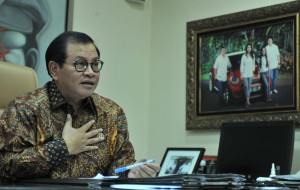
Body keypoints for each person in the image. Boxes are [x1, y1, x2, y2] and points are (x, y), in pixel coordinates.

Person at [0, 31, 160, 182]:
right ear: (55, 70)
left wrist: (131, 173)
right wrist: (63, 147)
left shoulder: (111, 112)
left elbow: (118, 168)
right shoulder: (24, 108)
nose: (91, 72)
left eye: (95, 64)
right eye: (80, 64)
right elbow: (5, 166)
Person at [240, 43, 255, 108]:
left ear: (251, 48)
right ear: (246, 48)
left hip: (250, 74)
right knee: (246, 86)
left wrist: (253, 72)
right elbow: (242, 65)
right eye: (248, 47)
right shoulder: (244, 56)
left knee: (249, 87)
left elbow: (253, 65)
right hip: (245, 74)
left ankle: (247, 100)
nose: (249, 48)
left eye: (250, 47)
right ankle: (247, 100)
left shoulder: (253, 55)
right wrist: (241, 73)